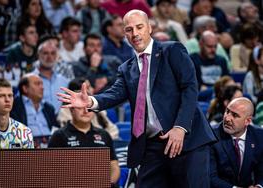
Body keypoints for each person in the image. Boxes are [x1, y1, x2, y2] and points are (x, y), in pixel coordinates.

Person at [58, 9, 216, 187]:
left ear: (149, 28)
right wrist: (91, 101)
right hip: (153, 146)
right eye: (129, 29)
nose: (134, 33)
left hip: (186, 140)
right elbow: (114, 94)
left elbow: (190, 87)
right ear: (124, 34)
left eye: (139, 27)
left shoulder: (171, 50)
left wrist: (180, 128)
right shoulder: (126, 68)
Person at [49, 79, 120, 187]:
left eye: (89, 108)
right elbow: (51, 171)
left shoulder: (104, 134)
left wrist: (108, 183)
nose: (86, 111)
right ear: (71, 110)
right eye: (80, 108)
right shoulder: (59, 136)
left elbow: (114, 165)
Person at [210, 97, 263, 188]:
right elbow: (210, 176)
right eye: (227, 111)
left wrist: (258, 186)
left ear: (248, 121)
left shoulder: (259, 136)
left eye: (235, 115)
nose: (227, 118)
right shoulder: (211, 136)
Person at [11, 73, 58, 148]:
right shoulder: (14, 106)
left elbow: (56, 129)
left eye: (42, 84)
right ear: (25, 88)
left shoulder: (49, 108)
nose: (42, 87)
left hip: (51, 146)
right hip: (28, 147)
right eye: (37, 84)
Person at [0, 78, 34, 149]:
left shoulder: (24, 132)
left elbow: (29, 160)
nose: (7, 100)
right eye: (1, 96)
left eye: (10, 95)